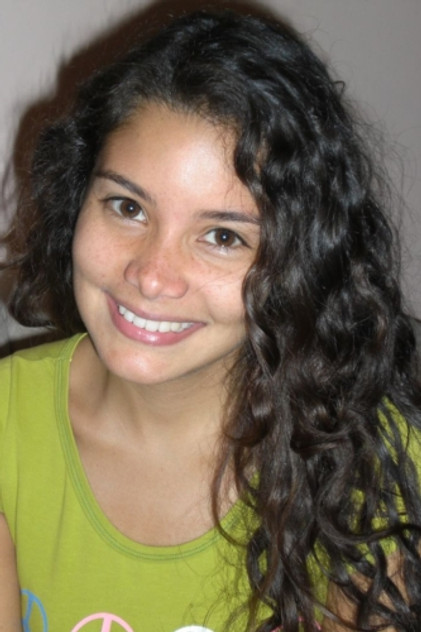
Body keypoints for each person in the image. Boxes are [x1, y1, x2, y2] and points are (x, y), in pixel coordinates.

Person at [1, 7, 421, 632]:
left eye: (223, 236)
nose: (152, 276)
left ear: (298, 264)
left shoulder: (372, 469)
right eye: (127, 206)